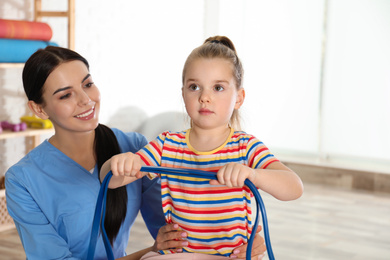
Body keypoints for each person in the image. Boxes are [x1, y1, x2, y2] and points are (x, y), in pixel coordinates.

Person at [101, 36, 304, 259]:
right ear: (183, 94)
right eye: (194, 87)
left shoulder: (246, 147)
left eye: (218, 88)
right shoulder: (166, 145)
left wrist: (253, 175)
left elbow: (294, 187)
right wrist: (119, 163)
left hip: (231, 256)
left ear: (239, 98)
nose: (205, 97)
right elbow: (109, 180)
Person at [5, 46, 191, 260]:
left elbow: (179, 228)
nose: (86, 100)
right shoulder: (22, 181)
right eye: (66, 95)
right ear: (39, 109)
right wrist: (150, 251)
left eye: (88, 84)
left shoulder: (135, 149)